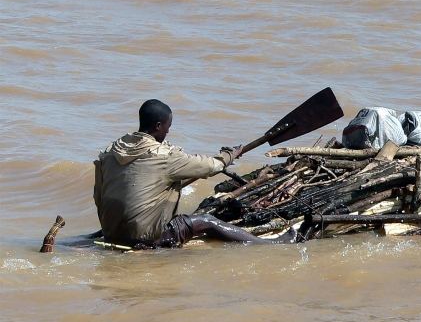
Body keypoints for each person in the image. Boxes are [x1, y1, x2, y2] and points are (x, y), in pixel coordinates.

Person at [94, 99, 295, 247]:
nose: (168, 132)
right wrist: (230, 155)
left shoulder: (111, 152)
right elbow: (211, 166)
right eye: (167, 126)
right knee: (207, 221)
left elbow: (98, 196)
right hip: (145, 239)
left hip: (111, 233)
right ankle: (270, 244)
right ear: (158, 126)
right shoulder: (165, 156)